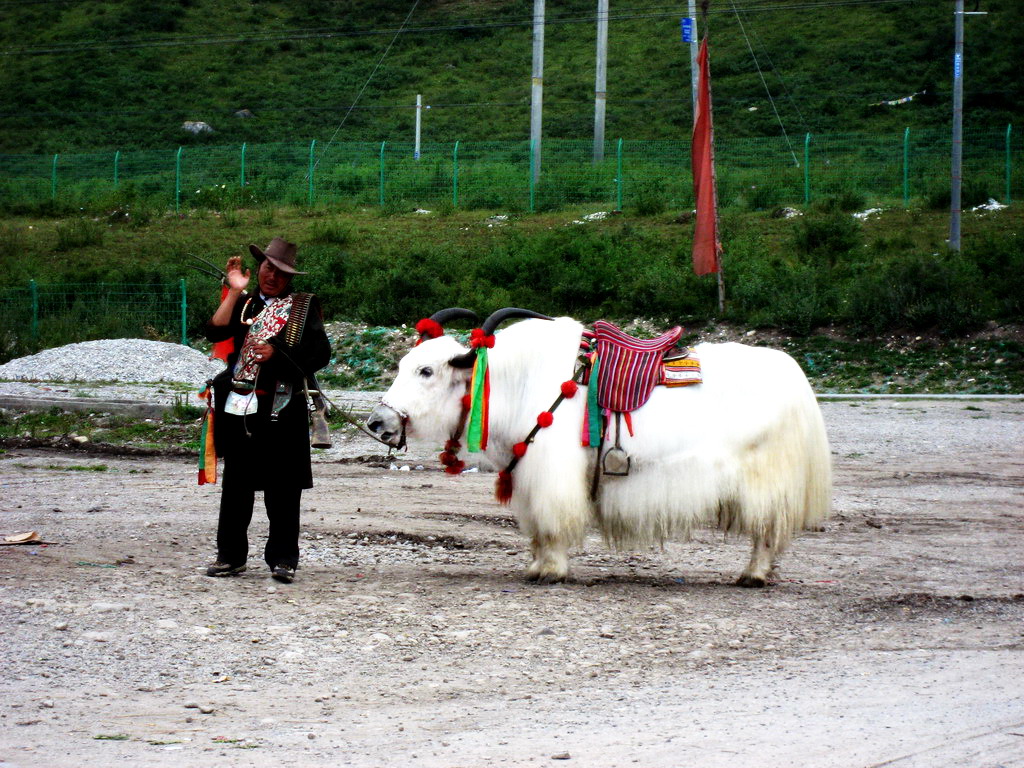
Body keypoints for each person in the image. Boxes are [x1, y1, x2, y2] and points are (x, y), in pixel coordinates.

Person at [203, 237, 331, 584]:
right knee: (237, 487)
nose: (271, 276)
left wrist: (278, 357)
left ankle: (283, 559)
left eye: (280, 272)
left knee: (284, 488)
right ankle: (230, 557)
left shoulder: (301, 309)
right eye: (267, 267)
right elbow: (214, 330)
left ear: (289, 278)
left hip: (283, 406)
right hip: (240, 406)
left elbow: (320, 355)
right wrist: (233, 291)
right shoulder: (243, 304)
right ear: (258, 267)